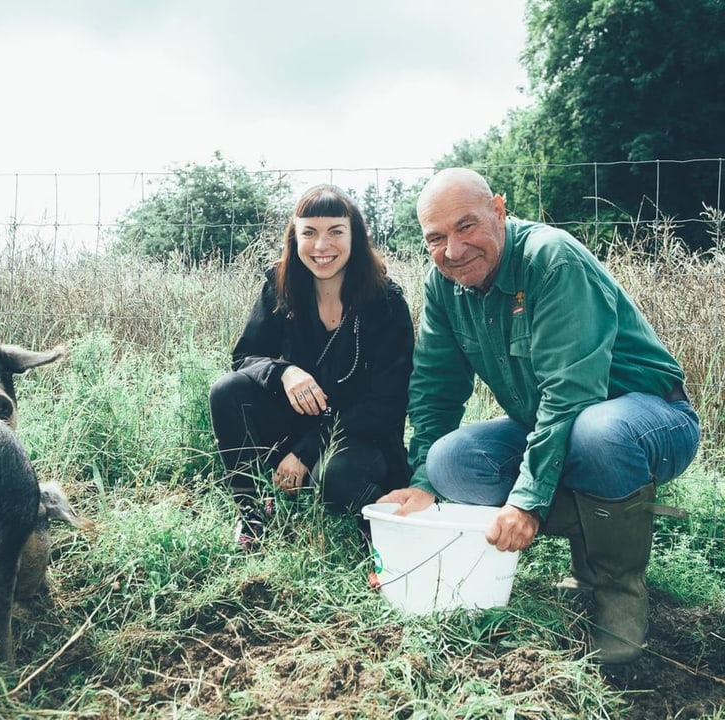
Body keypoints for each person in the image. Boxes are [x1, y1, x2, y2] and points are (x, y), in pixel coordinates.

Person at [378, 167, 700, 665]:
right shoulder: (443, 286)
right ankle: (601, 523)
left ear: (499, 210)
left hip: (650, 417)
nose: (454, 251)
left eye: (467, 227)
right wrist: (422, 479)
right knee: (451, 462)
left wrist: (527, 501)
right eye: (436, 239)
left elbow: (572, 395)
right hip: (556, 425)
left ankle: (615, 589)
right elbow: (435, 389)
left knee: (598, 431)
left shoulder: (551, 259)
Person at [209, 184, 414, 549]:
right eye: (310, 233)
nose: (322, 247)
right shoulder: (279, 286)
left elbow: (387, 402)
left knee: (334, 476)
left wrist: (306, 452)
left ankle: (374, 517)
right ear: (295, 236)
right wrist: (284, 372)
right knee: (227, 390)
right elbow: (245, 357)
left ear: (355, 236)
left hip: (359, 436)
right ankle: (254, 515)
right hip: (292, 424)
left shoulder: (386, 302)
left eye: (336, 231)